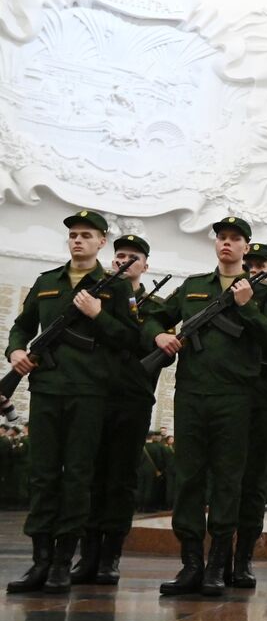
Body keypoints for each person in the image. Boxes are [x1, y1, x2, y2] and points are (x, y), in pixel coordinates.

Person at [5, 210, 141, 595]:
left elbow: (131, 339)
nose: (78, 240)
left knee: (78, 475)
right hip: (47, 388)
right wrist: (15, 351)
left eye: (86, 235)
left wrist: (98, 315)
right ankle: (40, 560)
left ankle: (64, 561)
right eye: (74, 235)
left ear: (101, 242)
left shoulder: (115, 288)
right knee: (43, 474)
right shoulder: (47, 281)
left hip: (89, 391)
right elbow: (21, 326)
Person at [148, 217, 267, 597]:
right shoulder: (193, 286)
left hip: (236, 396)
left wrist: (247, 307)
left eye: (235, 239)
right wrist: (159, 335)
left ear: (246, 247)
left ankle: (217, 565)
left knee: (228, 480)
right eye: (222, 237)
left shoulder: (263, 293)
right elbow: (156, 317)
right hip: (192, 392)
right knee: (188, 478)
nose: (227, 243)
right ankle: (191, 563)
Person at [72, 234, 165, 587]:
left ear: (145, 265)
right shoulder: (98, 297)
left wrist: (101, 319)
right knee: (91, 476)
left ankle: (110, 555)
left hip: (134, 398)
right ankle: (88, 554)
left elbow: (148, 345)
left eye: (133, 257)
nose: (124, 261)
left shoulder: (156, 307)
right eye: (120, 255)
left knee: (121, 480)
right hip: (96, 394)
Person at [226, 243, 267, 589]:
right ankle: (217, 557)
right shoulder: (223, 299)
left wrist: (249, 307)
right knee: (224, 478)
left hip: (261, 400)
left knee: (253, 481)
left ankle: (243, 558)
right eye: (249, 265)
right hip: (226, 396)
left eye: (261, 265)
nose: (253, 271)